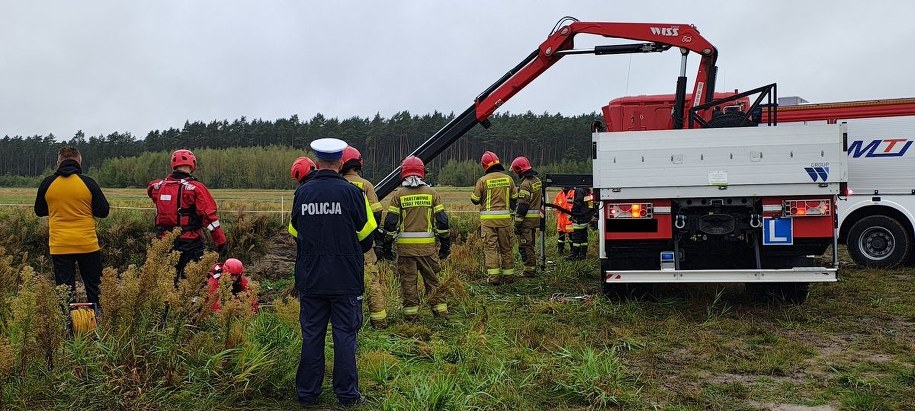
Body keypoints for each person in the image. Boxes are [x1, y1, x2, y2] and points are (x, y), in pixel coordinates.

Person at [289, 138, 376, 407]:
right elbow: (367, 239)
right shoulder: (353, 193)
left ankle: (307, 394)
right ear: (340, 162)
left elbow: (294, 233)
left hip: (311, 279)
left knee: (312, 337)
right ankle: (347, 395)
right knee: (345, 337)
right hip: (345, 280)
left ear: (317, 162)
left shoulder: (302, 193)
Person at [34, 146, 109, 308]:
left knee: (65, 290)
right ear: (79, 162)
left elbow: (39, 211)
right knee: (94, 286)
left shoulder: (48, 183)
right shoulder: (88, 183)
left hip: (60, 245)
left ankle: (67, 322)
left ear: (58, 162)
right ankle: (98, 318)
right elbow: (103, 212)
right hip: (87, 244)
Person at [380, 156, 451, 321]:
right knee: (432, 280)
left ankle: (411, 317)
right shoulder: (432, 193)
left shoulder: (398, 195)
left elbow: (390, 223)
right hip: (427, 249)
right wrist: (445, 244)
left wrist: (387, 246)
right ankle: (440, 313)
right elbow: (442, 221)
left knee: (408, 282)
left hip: (405, 250)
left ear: (403, 173)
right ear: (422, 172)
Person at [147, 149, 227, 285]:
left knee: (165, 283)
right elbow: (209, 217)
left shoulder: (156, 186)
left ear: (173, 165)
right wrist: (220, 241)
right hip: (190, 242)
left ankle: (166, 299)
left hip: (164, 241)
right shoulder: (195, 188)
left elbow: (151, 192)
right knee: (191, 283)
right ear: (193, 164)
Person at [340, 146, 388, 328]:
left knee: (343, 281)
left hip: (341, 243)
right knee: (371, 280)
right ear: (358, 163)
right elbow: (376, 212)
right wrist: (374, 236)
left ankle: (346, 320)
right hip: (364, 244)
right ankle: (379, 320)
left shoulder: (336, 185)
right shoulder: (366, 185)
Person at [470, 151, 517, 285]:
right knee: (506, 248)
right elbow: (514, 197)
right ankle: (509, 277)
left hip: (488, 222)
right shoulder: (508, 179)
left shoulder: (482, 180)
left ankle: (494, 278)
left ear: (484, 165)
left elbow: (475, 199)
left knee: (490, 248)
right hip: (505, 221)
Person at [510, 156, 542, 278]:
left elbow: (523, 206)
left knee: (525, 245)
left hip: (526, 221)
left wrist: (517, 223)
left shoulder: (525, 184)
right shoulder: (537, 180)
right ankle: (531, 269)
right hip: (534, 220)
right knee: (530, 244)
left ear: (519, 170)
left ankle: (529, 271)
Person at [568, 186, 596, 261]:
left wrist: (573, 214)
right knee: (583, 237)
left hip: (579, 218)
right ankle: (583, 255)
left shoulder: (579, 190)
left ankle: (574, 255)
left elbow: (578, 203)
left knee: (576, 237)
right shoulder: (586, 190)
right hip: (585, 217)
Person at [554, 186, 574, 255]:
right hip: (561, 219)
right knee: (561, 236)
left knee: (571, 236)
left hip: (569, 219)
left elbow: (575, 206)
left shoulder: (573, 193)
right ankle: (560, 250)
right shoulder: (559, 195)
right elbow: (555, 206)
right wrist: (559, 210)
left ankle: (572, 251)